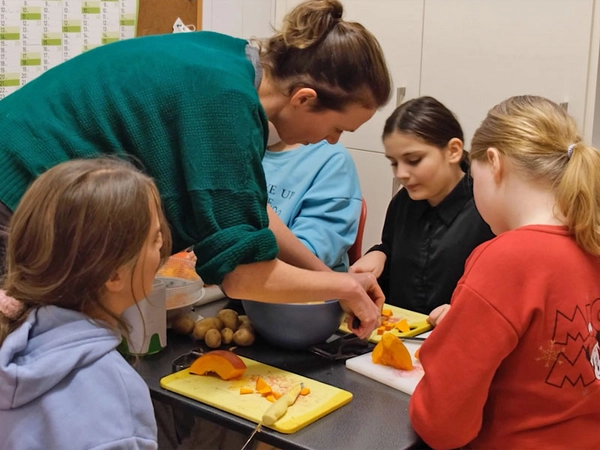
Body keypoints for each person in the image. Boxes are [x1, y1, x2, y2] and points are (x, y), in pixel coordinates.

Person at [0, 0, 390, 338]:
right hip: (16, 189)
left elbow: (249, 215)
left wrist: (331, 278)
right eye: (338, 128)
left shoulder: (230, 61)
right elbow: (242, 275)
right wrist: (342, 287)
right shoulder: (226, 104)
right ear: (304, 99)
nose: (334, 142)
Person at [410, 95, 600, 449]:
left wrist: (448, 344)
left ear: (493, 163)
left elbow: (442, 425)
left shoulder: (506, 258)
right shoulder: (590, 242)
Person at [0, 158, 172, 449]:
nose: (163, 248)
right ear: (114, 274)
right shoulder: (117, 396)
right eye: (155, 239)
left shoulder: (13, 339)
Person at [350, 96, 494, 316]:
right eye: (394, 163)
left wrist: (463, 313)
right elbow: (394, 256)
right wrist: (380, 253)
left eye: (414, 160)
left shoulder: (487, 209)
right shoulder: (403, 203)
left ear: (453, 151)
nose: (401, 174)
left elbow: (501, 290)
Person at [263, 130, 362, 272]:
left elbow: (309, 258)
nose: (334, 138)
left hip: (297, 283)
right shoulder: (238, 147)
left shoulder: (332, 159)